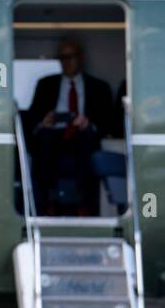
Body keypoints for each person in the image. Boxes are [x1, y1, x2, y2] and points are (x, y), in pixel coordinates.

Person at [23, 38, 115, 216]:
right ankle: (47, 203)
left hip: (83, 135)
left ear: (80, 58)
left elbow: (109, 122)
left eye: (69, 57)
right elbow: (32, 118)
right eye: (62, 57)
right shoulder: (45, 84)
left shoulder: (99, 87)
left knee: (87, 138)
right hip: (53, 135)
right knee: (45, 138)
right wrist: (44, 121)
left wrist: (89, 123)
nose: (65, 62)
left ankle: (84, 203)